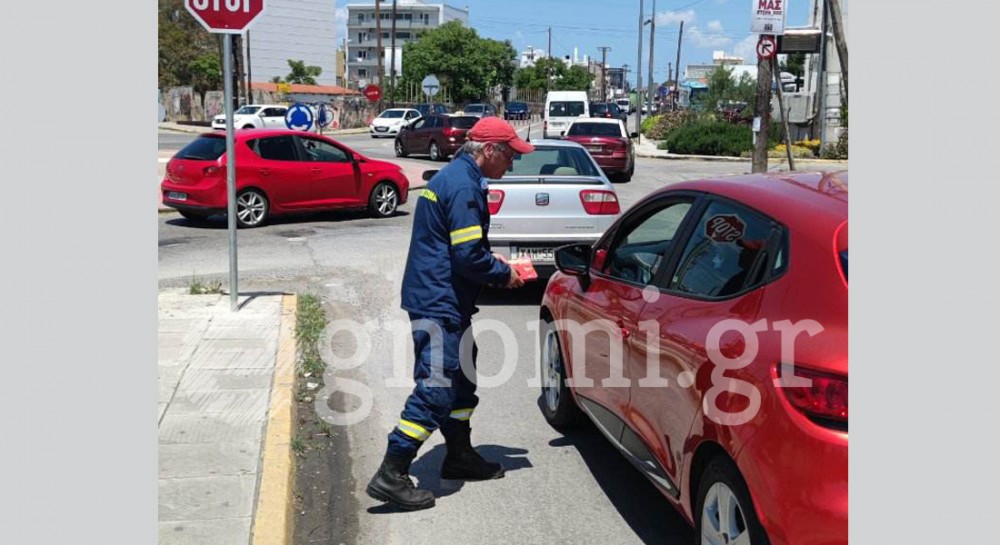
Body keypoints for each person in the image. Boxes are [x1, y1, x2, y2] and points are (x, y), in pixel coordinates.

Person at [366, 117, 535, 511]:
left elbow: (458, 247)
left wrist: (487, 261)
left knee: (461, 380)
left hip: (445, 299)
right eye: (510, 156)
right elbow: (466, 255)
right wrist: (504, 273)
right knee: (437, 387)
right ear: (489, 150)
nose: (511, 165)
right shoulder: (462, 187)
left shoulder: (457, 177)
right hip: (439, 302)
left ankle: (458, 455)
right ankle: (391, 471)